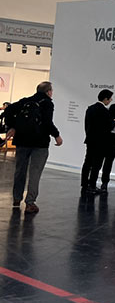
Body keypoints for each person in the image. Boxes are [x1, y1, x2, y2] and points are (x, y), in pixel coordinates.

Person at [5, 81, 62, 214]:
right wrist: (57, 135)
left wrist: (12, 126)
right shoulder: (47, 103)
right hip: (39, 143)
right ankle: (30, 202)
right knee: (35, 172)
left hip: (22, 141)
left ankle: (16, 199)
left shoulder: (26, 101)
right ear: (48, 92)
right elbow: (47, 122)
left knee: (20, 171)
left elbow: (8, 110)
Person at [82, 89, 114, 194]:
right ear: (106, 99)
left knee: (87, 162)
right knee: (96, 165)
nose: (111, 100)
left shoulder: (90, 108)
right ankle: (92, 185)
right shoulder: (104, 111)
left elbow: (86, 124)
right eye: (110, 99)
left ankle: (84, 183)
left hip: (90, 140)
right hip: (101, 142)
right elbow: (108, 126)